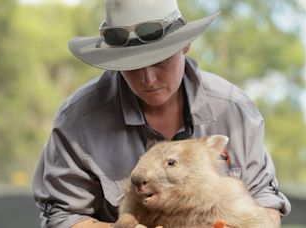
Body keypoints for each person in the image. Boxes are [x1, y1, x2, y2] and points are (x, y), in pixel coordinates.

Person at [32, 0, 291, 227]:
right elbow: (62, 217)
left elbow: (265, 199)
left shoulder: (235, 110)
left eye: (159, 60)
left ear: (185, 44)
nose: (148, 78)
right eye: (132, 66)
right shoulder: (78, 122)